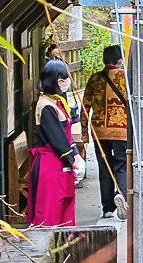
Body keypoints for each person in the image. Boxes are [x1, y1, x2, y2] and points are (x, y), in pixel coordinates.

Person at [28, 60, 85, 227]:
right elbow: (57, 138)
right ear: (57, 81)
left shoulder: (56, 101)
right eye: (64, 79)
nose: (67, 82)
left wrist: (76, 156)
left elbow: (65, 136)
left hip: (59, 164)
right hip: (50, 165)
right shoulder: (45, 105)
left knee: (64, 213)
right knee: (49, 215)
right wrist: (73, 160)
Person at [81, 45, 129, 220]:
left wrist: (84, 131)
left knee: (104, 166)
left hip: (100, 131)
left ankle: (107, 207)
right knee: (122, 164)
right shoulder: (126, 78)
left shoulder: (94, 79)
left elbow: (85, 106)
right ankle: (122, 195)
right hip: (122, 130)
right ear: (119, 61)